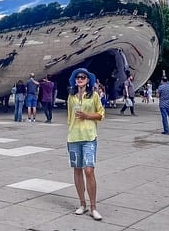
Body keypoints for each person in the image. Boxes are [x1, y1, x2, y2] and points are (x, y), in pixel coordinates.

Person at [67, 68, 105, 221]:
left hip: (89, 136)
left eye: (83, 77)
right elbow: (70, 117)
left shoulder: (94, 96)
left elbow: (101, 114)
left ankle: (93, 207)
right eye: (78, 77)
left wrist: (86, 115)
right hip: (74, 137)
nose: (80, 79)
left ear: (88, 80)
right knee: (77, 170)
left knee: (89, 170)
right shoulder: (71, 97)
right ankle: (82, 204)